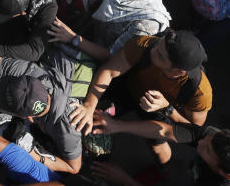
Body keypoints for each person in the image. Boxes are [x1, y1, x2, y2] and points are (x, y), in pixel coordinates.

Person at [70, 29, 212, 167]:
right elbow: (109, 71)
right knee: (95, 117)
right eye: (157, 45)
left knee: (158, 150)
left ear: (180, 72)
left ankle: (163, 169)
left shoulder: (199, 92)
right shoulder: (146, 45)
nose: (152, 51)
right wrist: (89, 105)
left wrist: (166, 108)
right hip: (130, 88)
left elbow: (191, 131)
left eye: (160, 56)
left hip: (161, 112)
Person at [92, 114, 230, 186]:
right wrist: (117, 125)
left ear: (226, 174)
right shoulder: (214, 138)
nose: (200, 143)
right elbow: (167, 131)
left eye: (207, 151)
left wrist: (124, 180)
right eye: (206, 139)